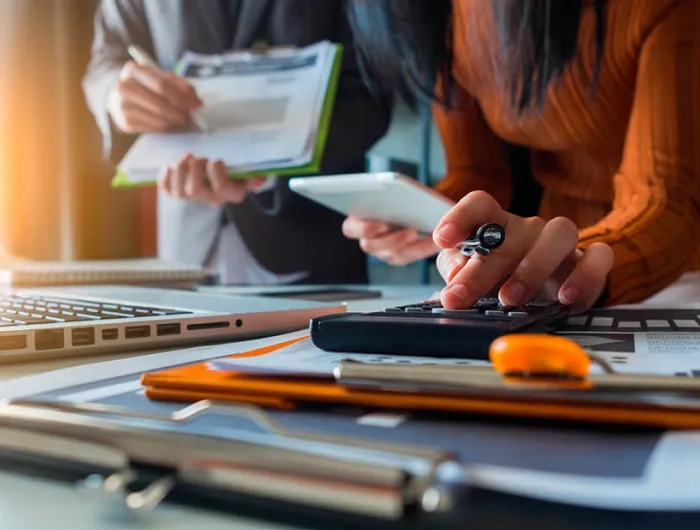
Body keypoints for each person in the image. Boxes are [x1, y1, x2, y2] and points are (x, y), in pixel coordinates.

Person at [343, 0, 700, 312]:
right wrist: (425, 215)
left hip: (662, 272)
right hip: (545, 274)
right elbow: (477, 172)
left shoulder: (662, 8)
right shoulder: (442, 15)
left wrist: (569, 261)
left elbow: (668, 202)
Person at [83, 0, 391, 284]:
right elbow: (106, 61)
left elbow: (374, 84)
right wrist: (114, 94)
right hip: (183, 242)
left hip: (308, 239)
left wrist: (270, 164)